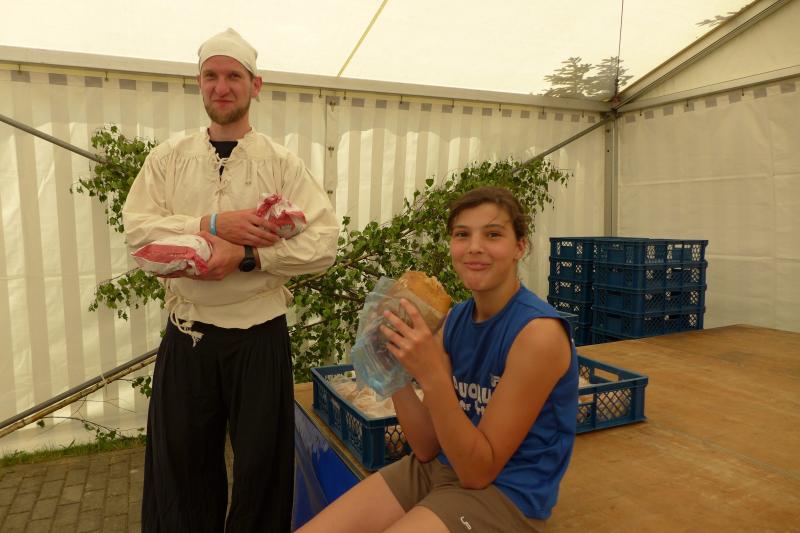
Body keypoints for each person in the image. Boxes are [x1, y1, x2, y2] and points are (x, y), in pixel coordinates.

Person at [122, 28, 339, 532]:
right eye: (212, 76)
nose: (222, 87)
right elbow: (138, 233)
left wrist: (248, 256)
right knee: (182, 474)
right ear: (199, 83)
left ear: (255, 85)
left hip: (259, 336)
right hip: (188, 335)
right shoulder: (168, 159)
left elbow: (323, 244)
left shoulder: (281, 164)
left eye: (234, 76)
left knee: (262, 473)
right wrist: (211, 224)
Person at [299, 186, 578, 532]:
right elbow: (426, 446)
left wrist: (432, 374)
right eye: (462, 234)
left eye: (493, 234)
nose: (474, 246)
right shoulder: (454, 320)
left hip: (505, 493)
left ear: (519, 247)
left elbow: (478, 473)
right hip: (440, 466)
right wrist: (392, 366)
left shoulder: (538, 334)